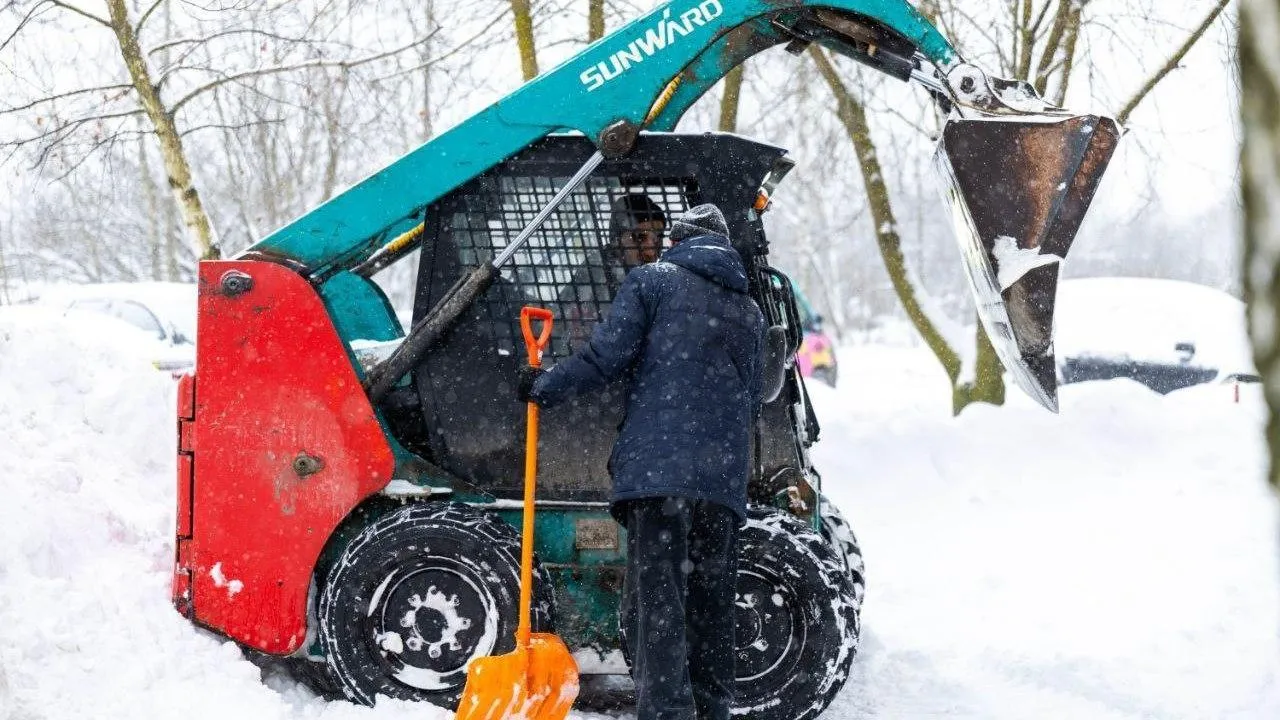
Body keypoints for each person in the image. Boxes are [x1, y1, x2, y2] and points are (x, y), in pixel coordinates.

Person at [520, 204, 766, 720]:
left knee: (658, 604)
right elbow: (759, 390)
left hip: (659, 477)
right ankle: (711, 709)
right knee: (710, 604)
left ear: (677, 241)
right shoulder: (748, 308)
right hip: (721, 481)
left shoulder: (653, 281)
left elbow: (605, 357)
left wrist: (544, 385)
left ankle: (668, 712)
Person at [561, 193, 667, 345]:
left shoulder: (659, 280)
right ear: (616, 240)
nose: (651, 251)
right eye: (639, 238)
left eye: (658, 239)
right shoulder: (596, 275)